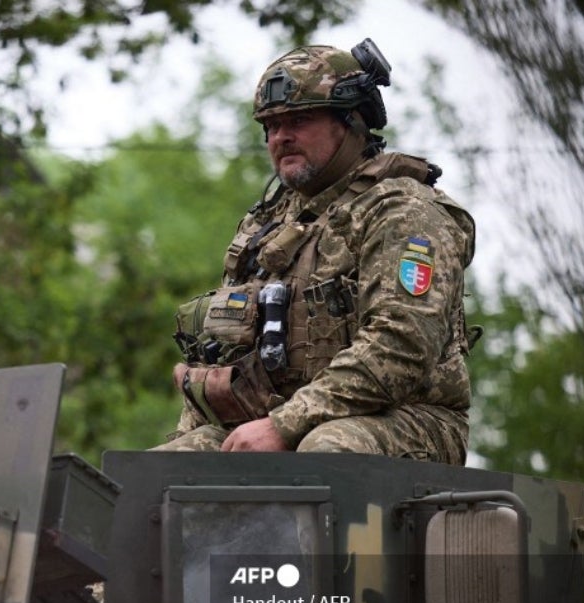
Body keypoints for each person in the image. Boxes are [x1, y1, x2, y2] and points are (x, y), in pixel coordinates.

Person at [158, 39, 475, 464]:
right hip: (282, 418)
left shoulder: (404, 211)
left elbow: (402, 346)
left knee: (324, 450)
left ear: (351, 122)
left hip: (407, 420)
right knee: (161, 470)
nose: (281, 137)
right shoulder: (265, 226)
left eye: (299, 120)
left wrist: (285, 425)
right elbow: (227, 350)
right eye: (271, 125)